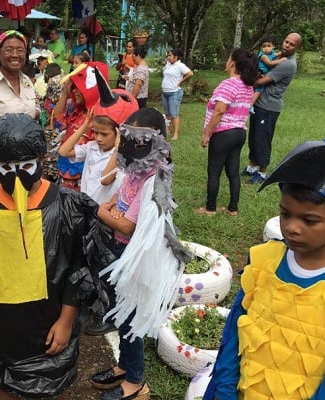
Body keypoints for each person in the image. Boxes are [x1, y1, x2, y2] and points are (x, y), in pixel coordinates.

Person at [0, 113, 113, 400]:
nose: (17, 175)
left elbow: (79, 267)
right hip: (1, 325)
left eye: (26, 165)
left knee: (55, 385)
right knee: (6, 387)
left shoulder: (67, 205)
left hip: (52, 320)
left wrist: (65, 320)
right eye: (7, 167)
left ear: (40, 158)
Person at [203, 133, 325, 399]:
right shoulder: (264, 261)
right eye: (285, 214)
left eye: (309, 220)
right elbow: (236, 333)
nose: (291, 228)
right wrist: (225, 392)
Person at [90, 108, 189, 400]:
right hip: (118, 251)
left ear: (156, 143)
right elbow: (118, 203)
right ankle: (125, 365)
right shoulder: (134, 172)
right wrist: (110, 212)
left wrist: (101, 213)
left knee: (130, 319)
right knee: (119, 314)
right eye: (128, 138)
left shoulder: (152, 180)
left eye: (141, 141)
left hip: (133, 257)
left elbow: (128, 224)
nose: (133, 146)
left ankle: (137, 383)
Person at [195, 49, 258, 217]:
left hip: (223, 134)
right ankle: (233, 209)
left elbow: (219, 111)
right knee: (233, 172)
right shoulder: (248, 86)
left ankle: (210, 209)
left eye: (228, 58)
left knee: (214, 171)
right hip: (239, 133)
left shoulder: (228, 84)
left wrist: (207, 134)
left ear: (232, 63)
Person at [243, 32, 302, 185]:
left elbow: (262, 81)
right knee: (254, 136)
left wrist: (246, 80)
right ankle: (251, 167)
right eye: (286, 41)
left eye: (291, 44)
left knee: (263, 139)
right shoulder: (276, 56)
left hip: (269, 106)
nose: (287, 46)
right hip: (260, 104)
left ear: (297, 48)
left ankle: (262, 173)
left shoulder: (287, 64)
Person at [53, 62, 108, 191]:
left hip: (84, 177)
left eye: (79, 88)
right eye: (73, 87)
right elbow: (57, 121)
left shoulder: (100, 116)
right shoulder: (75, 109)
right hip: (66, 171)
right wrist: (65, 95)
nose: (75, 91)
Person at [161, 49, 193, 140]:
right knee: (168, 114)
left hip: (174, 92)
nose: (168, 57)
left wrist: (181, 81)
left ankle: (176, 134)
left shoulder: (180, 65)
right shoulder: (168, 64)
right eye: (168, 55)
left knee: (174, 114)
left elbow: (190, 73)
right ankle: (169, 129)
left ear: (176, 57)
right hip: (165, 92)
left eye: (170, 56)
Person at [250, 34, 286, 111]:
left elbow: (275, 54)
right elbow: (270, 63)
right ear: (261, 48)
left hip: (265, 74)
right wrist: (281, 60)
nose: (266, 48)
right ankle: (250, 105)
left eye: (269, 46)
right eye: (264, 46)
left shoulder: (271, 53)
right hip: (260, 74)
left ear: (273, 46)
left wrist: (282, 53)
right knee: (259, 90)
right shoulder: (263, 56)